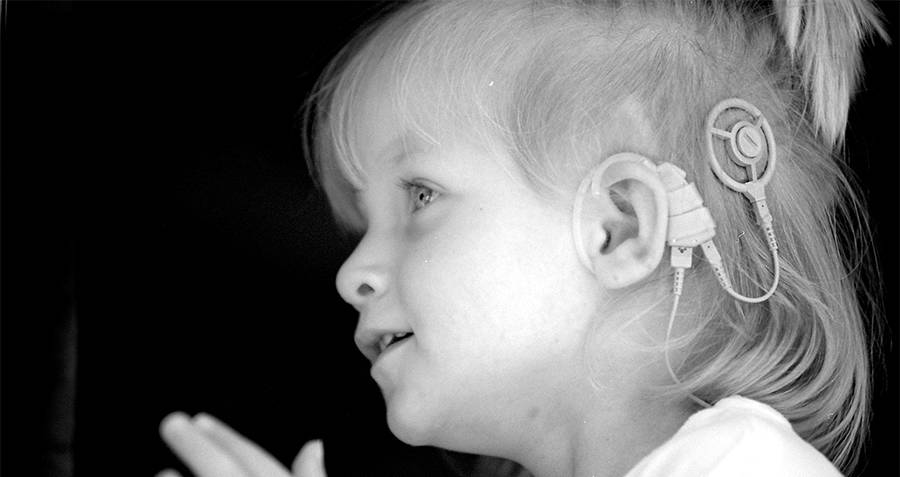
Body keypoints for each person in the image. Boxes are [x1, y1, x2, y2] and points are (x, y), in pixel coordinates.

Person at [156, 1, 888, 476]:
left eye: (419, 196)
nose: (352, 273)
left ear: (617, 227)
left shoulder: (740, 464)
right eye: (360, 225)